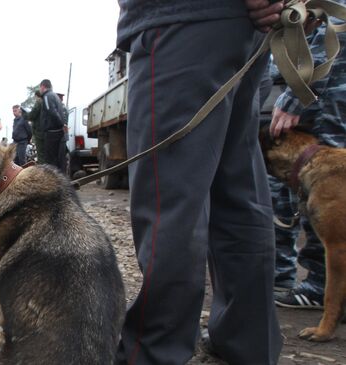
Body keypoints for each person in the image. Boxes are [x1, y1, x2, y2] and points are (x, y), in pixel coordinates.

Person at [113, 1, 284, 364]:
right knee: (237, 193)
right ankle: (248, 341)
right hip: (241, 29)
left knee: (172, 202)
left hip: (181, 21)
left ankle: (153, 353)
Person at [268, 4, 346, 309]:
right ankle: (287, 276)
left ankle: (317, 286)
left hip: (324, 95)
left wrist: (297, 93)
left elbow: (334, 31)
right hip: (322, 91)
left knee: (322, 197)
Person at [38, 79, 66, 172]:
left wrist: (60, 124)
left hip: (51, 133)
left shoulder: (47, 96)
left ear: (43, 86)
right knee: (59, 160)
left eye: (40, 88)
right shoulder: (55, 96)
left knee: (50, 161)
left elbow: (52, 112)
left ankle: (54, 183)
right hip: (58, 132)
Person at [26, 90, 45, 164]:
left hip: (39, 134)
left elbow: (32, 116)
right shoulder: (45, 103)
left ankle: (43, 170)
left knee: (40, 155)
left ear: (37, 96)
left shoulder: (39, 103)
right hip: (43, 133)